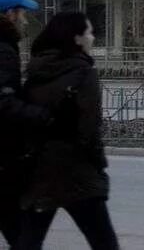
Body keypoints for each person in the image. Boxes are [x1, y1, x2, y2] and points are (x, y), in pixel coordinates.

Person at [17, 13, 119, 250]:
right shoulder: (84, 74)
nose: (92, 38)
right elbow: (90, 129)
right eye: (89, 33)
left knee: (29, 240)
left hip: (41, 169)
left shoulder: (36, 71)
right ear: (76, 39)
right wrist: (98, 166)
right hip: (77, 172)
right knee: (104, 241)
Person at [0, 0, 52, 249]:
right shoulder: (4, 50)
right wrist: (41, 115)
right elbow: (4, 102)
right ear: (9, 14)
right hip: (4, 162)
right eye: (21, 13)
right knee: (23, 236)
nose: (23, 19)